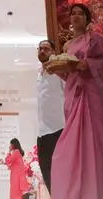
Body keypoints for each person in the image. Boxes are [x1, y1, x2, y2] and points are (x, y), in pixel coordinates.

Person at [49, 3, 103, 199]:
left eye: (80, 13)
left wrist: (83, 64)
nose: (75, 16)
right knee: (69, 148)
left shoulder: (96, 40)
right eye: (72, 13)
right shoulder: (67, 46)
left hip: (93, 96)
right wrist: (58, 69)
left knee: (96, 146)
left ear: (87, 18)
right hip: (74, 98)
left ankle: (97, 191)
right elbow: (69, 76)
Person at [34, 39, 64, 193]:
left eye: (46, 48)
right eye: (39, 48)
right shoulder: (38, 74)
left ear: (53, 51)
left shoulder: (60, 72)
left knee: (61, 175)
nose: (42, 51)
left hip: (58, 129)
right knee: (47, 174)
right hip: (42, 132)